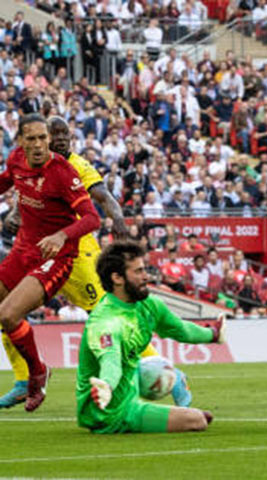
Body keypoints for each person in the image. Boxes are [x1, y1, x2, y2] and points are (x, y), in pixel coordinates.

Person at [0, 117, 193, 409]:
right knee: (6, 309)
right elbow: (22, 185)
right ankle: (25, 377)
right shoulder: (22, 160)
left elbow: (102, 199)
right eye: (53, 135)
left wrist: (118, 221)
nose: (57, 140)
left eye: (62, 135)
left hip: (76, 258)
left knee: (110, 319)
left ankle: (166, 371)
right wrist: (16, 212)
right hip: (30, 249)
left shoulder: (75, 167)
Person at [0, 114, 100, 412]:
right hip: (23, 251)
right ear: (20, 142)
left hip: (56, 257)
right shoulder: (17, 160)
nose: (39, 144)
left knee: (7, 314)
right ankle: (34, 370)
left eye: (43, 138)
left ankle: (36, 374)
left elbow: (93, 218)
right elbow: (6, 180)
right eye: (31, 139)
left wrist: (61, 236)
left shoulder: (63, 172)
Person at [76, 241, 226, 433]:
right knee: (197, 421)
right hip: (109, 412)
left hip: (128, 396)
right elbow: (110, 361)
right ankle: (185, 415)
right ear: (117, 278)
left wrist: (212, 334)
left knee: (156, 372)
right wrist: (106, 386)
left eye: (144, 269)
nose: (146, 276)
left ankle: (177, 412)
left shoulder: (149, 305)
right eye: (138, 271)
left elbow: (180, 329)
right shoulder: (105, 321)